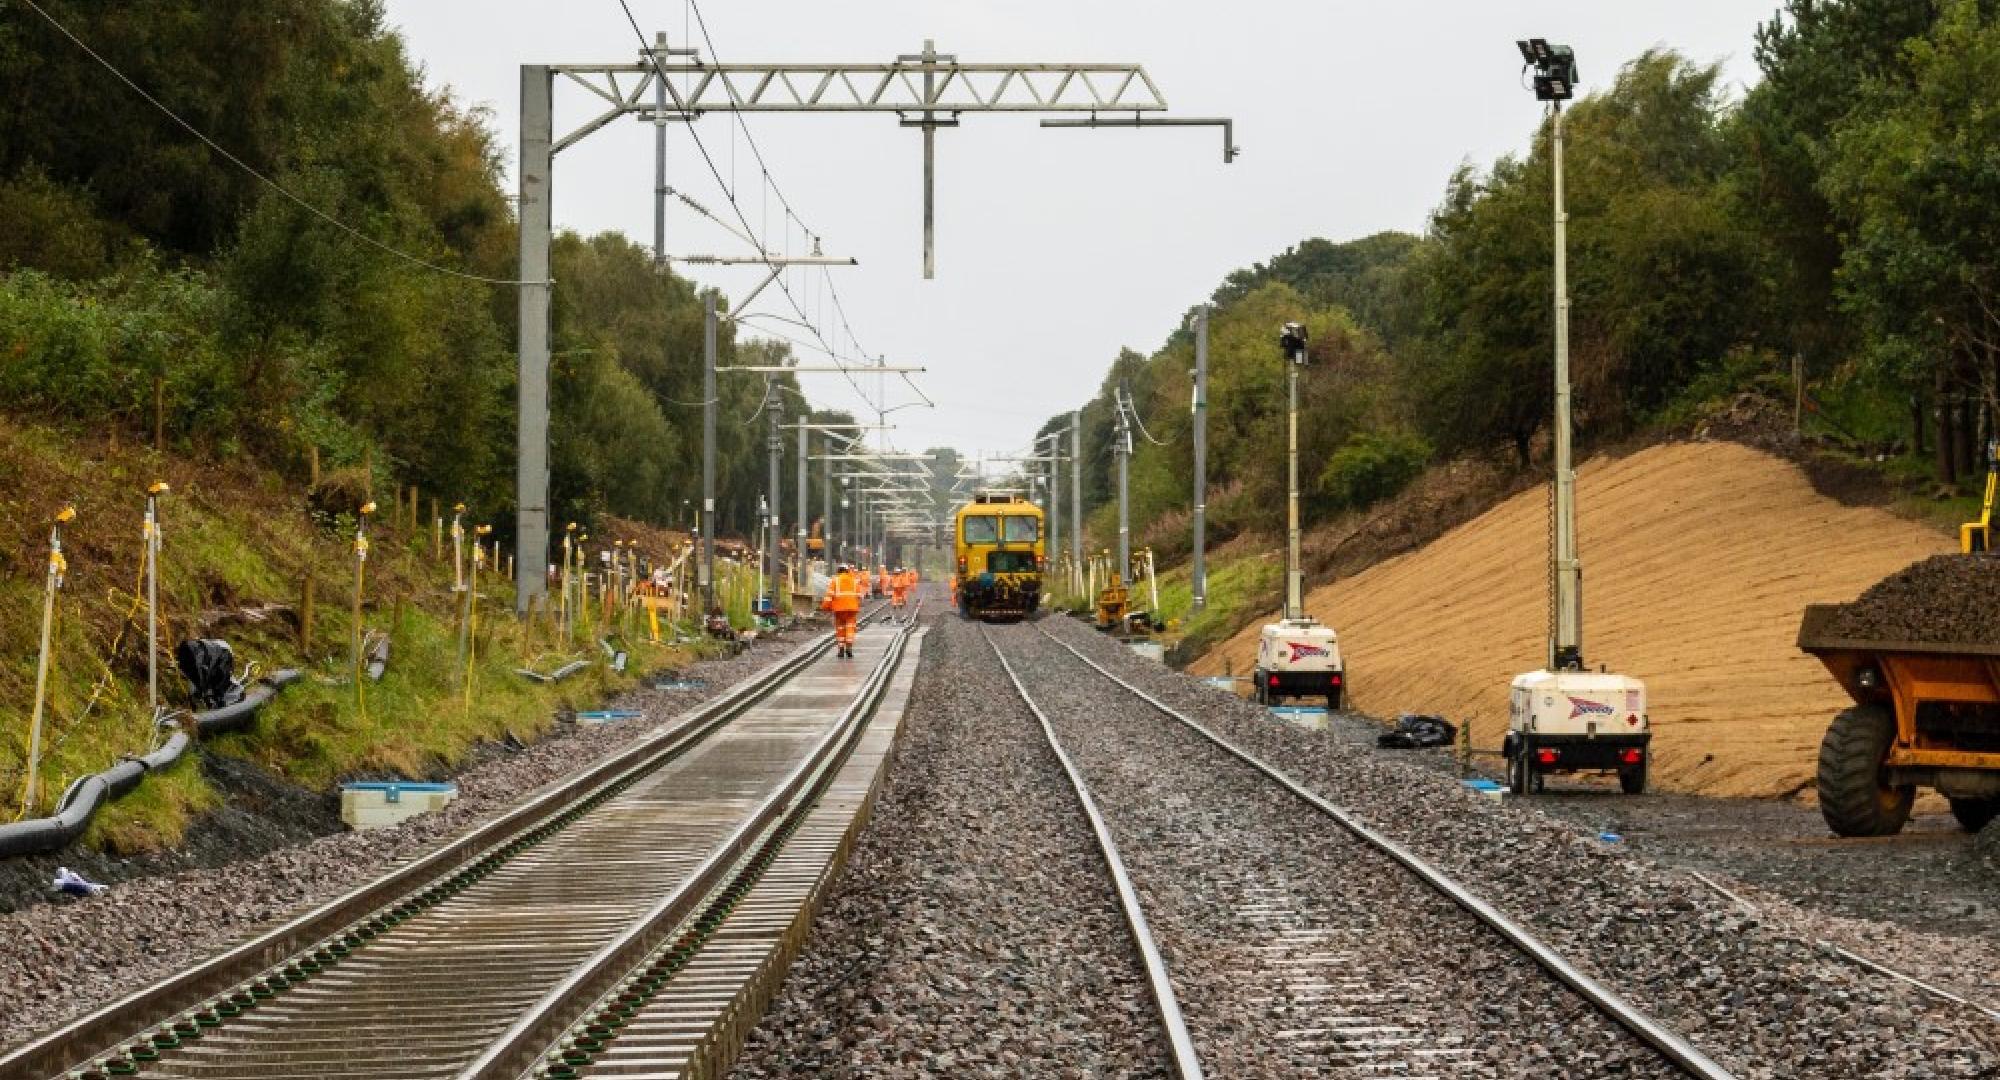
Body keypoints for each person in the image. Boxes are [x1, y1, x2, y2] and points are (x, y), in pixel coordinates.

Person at [820, 563, 862, 658]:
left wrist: (825, 607)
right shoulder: (854, 581)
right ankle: (849, 648)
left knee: (840, 628)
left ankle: (841, 649)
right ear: (847, 571)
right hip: (851, 609)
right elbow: (859, 596)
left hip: (839, 609)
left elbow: (829, 596)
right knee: (850, 627)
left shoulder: (835, 581)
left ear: (838, 571)